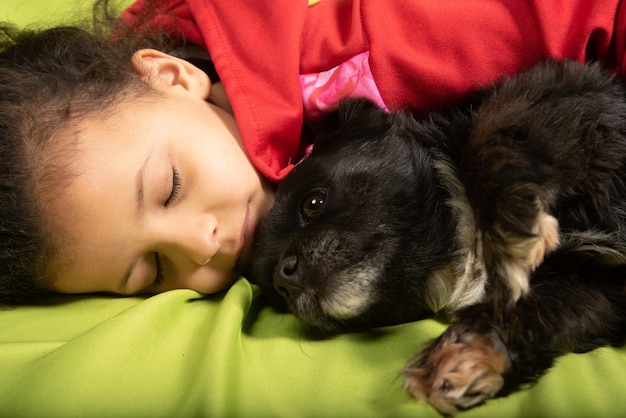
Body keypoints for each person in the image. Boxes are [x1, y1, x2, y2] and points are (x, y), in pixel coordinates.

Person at [1, 0, 625, 305]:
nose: (203, 245)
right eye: (153, 272)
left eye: (169, 188)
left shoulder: (362, 64)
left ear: (171, 77)